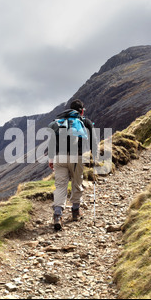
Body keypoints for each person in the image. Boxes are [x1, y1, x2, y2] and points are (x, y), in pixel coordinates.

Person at [48, 99, 98, 231]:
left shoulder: (57, 122)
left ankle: (57, 215)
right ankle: (75, 212)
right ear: (81, 110)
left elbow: (51, 141)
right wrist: (95, 156)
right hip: (77, 157)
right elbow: (93, 140)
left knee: (60, 186)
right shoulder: (84, 121)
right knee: (77, 182)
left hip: (59, 157)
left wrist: (51, 158)